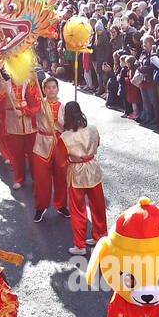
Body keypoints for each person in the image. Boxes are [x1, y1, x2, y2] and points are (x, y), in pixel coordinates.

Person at [61, 101, 107, 256]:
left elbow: (61, 158)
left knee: (77, 210)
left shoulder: (65, 136)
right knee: (98, 206)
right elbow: (98, 144)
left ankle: (80, 245)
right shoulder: (93, 129)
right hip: (93, 169)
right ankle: (100, 236)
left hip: (76, 173)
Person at [31, 77, 69, 223]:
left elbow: (69, 126)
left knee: (60, 177)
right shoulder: (39, 103)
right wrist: (32, 82)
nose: (51, 90)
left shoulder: (64, 106)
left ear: (58, 89)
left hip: (59, 144)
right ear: (44, 90)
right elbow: (31, 102)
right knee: (41, 178)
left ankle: (61, 205)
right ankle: (40, 207)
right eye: (48, 87)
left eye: (54, 87)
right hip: (41, 144)